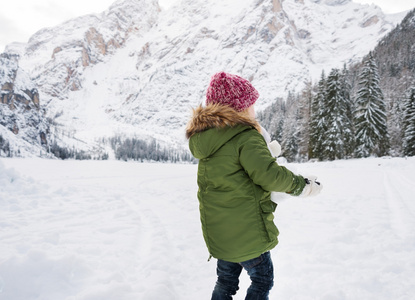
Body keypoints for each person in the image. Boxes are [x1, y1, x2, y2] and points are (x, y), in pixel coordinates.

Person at [185, 72, 322, 300]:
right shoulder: (245, 137)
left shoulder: (206, 141)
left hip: (221, 236)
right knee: (262, 280)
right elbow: (269, 175)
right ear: (239, 109)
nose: (255, 111)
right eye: (251, 105)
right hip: (248, 236)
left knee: (225, 282)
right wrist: (302, 185)